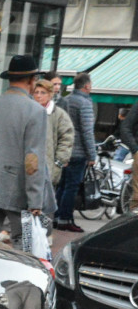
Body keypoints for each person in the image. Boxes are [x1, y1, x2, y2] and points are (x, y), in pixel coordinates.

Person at [0, 54, 47, 243]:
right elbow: (33, 158)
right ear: (32, 80)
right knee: (27, 244)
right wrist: (35, 199)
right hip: (18, 190)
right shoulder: (35, 111)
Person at [56, 72, 97, 233]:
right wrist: (92, 155)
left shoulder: (67, 100)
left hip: (65, 150)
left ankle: (57, 216)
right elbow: (87, 131)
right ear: (86, 86)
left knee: (62, 186)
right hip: (78, 151)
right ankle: (65, 219)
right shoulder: (84, 103)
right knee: (71, 187)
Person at [33, 78, 73, 194]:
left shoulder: (58, 114)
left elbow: (67, 137)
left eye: (43, 93)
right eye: (36, 92)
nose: (39, 96)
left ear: (50, 95)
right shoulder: (28, 111)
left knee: (44, 201)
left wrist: (59, 161)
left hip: (48, 165)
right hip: (28, 164)